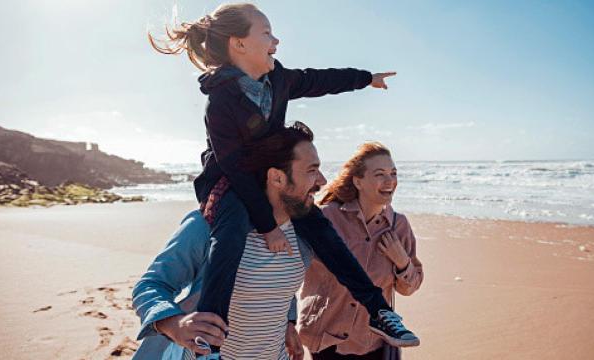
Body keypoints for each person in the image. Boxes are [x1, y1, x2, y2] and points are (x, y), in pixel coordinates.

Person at [149, 2, 417, 356]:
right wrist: (266, 225)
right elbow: (232, 166)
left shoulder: (278, 79)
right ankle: (209, 333)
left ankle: (379, 312)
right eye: (266, 32)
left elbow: (319, 80)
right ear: (239, 44)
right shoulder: (220, 101)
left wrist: (365, 78)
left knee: (326, 237)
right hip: (233, 182)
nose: (276, 39)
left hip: (276, 182)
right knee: (229, 233)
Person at [133, 123, 317, 359]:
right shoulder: (209, 225)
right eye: (312, 170)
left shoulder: (301, 236)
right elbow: (150, 285)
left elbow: (279, 289)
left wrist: (289, 322)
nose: (321, 179)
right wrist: (173, 323)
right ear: (277, 178)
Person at [298, 142, 424, 359]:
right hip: (326, 339)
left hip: (372, 343)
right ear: (358, 181)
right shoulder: (326, 218)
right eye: (380, 174)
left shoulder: (398, 226)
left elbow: (409, 288)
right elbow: (288, 264)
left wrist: (402, 261)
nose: (390, 181)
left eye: (393, 173)